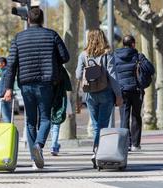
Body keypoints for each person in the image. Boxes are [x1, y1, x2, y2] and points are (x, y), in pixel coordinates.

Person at [3, 7, 69, 169]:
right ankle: (38, 146)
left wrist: (8, 88)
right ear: (42, 20)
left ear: (28, 20)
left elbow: (11, 65)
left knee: (30, 120)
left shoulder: (18, 38)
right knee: (46, 118)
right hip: (46, 83)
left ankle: (34, 159)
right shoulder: (52, 35)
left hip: (26, 84)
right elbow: (65, 57)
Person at [76, 29, 123, 163]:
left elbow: (78, 75)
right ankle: (97, 150)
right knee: (103, 125)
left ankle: (96, 150)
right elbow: (112, 76)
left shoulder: (83, 55)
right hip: (106, 93)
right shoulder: (108, 54)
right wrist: (118, 95)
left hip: (90, 94)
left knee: (96, 125)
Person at [114, 35, 147, 152]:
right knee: (136, 116)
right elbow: (150, 69)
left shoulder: (115, 56)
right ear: (133, 44)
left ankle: (125, 144)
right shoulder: (138, 56)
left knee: (124, 117)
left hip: (122, 90)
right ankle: (135, 144)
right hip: (136, 90)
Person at [50, 65, 72, 156]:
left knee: (51, 123)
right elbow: (68, 86)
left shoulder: (47, 67)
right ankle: (54, 145)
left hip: (48, 97)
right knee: (56, 123)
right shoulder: (61, 69)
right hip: (60, 98)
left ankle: (54, 144)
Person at [0, 57, 12, 123]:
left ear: (3, 63)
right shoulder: (5, 72)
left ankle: (11, 132)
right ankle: (13, 132)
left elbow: (6, 85)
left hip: (3, 97)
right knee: (7, 116)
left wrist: (1, 94)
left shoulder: (5, 72)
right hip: (3, 96)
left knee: (6, 117)